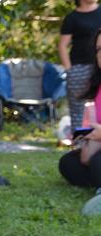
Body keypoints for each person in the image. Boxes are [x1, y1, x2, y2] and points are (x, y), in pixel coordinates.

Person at [59, 27, 101, 216]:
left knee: (98, 162)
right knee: (68, 163)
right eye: (99, 49)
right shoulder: (98, 86)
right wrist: (82, 136)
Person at [59, 0, 101, 136]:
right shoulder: (72, 18)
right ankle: (79, 143)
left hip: (99, 67)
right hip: (79, 68)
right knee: (77, 108)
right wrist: (69, 69)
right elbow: (62, 46)